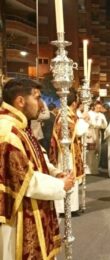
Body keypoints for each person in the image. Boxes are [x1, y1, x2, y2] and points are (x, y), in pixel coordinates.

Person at [0, 78, 74, 259]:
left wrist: (54, 172)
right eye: (37, 98)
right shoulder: (7, 131)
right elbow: (24, 179)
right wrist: (60, 185)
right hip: (17, 214)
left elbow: (35, 156)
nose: (41, 105)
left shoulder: (20, 126)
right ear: (20, 101)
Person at [49, 88, 88, 214]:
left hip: (70, 151)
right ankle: (64, 208)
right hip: (66, 153)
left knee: (72, 179)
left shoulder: (68, 114)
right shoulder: (65, 116)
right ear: (74, 103)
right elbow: (76, 132)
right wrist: (85, 121)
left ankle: (72, 207)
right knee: (68, 177)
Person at [87, 102, 108, 175]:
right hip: (90, 133)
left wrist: (102, 120)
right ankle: (88, 168)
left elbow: (105, 126)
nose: (99, 109)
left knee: (97, 151)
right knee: (90, 151)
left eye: (100, 108)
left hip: (97, 132)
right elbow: (86, 123)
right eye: (97, 107)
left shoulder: (101, 115)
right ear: (94, 106)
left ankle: (95, 168)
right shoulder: (89, 113)